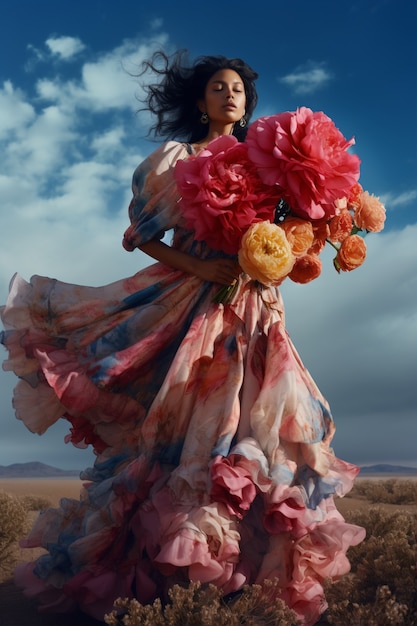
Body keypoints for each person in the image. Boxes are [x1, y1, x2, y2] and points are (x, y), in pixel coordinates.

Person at [0, 50, 365, 626]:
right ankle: (169, 576)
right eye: (218, 88)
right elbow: (142, 235)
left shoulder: (271, 165)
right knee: (189, 434)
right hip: (191, 310)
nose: (230, 95)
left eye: (239, 89)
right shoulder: (176, 160)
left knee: (265, 435)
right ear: (200, 101)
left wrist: (296, 249)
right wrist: (206, 271)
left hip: (259, 315)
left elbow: (294, 239)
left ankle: (238, 580)